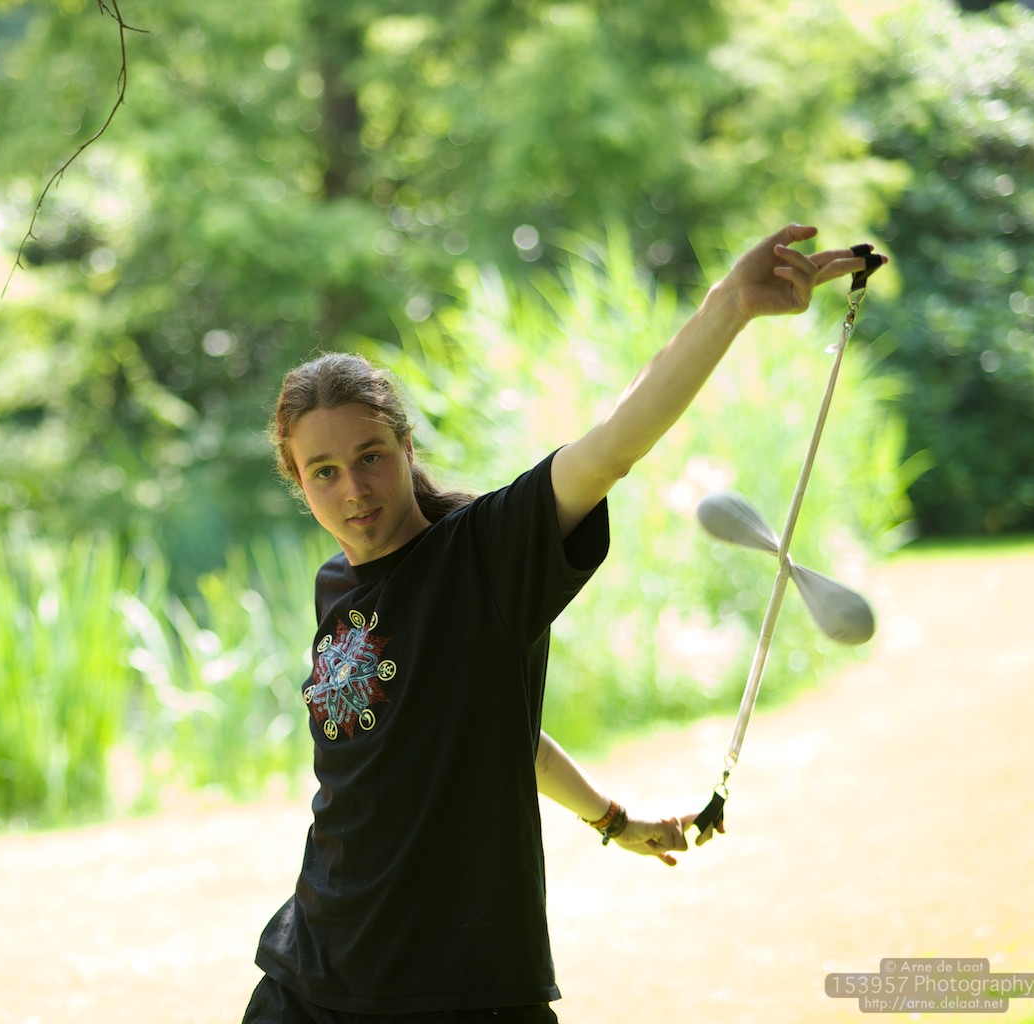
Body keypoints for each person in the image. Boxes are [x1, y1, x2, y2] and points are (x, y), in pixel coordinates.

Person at [243, 224, 881, 1024]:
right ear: (297, 481)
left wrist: (729, 305)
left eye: (369, 455)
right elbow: (484, 725)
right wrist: (611, 819)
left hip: (456, 988)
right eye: (324, 472)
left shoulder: (480, 556)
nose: (352, 489)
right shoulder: (336, 584)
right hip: (310, 969)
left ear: (405, 446)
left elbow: (609, 447)